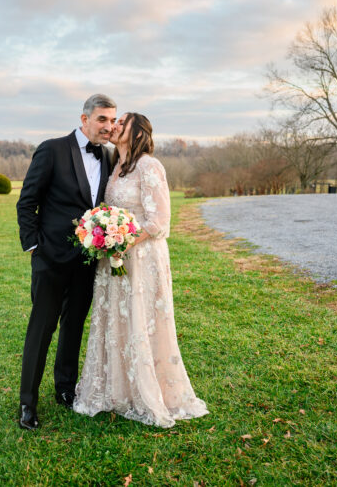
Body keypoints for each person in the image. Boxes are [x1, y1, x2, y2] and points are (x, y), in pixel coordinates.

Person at [73, 113, 208, 428]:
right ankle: (117, 390)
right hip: (115, 257)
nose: (116, 125)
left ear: (137, 133)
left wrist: (122, 239)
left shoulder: (150, 165)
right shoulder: (116, 167)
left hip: (141, 256)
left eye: (123, 122)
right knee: (117, 320)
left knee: (140, 319)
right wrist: (104, 235)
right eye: (114, 121)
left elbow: (159, 220)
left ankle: (149, 392)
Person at [15, 94, 117, 430]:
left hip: (87, 261)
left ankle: (64, 389)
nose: (108, 126)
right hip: (50, 259)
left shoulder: (109, 157)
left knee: (74, 327)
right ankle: (27, 403)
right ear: (84, 118)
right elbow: (27, 201)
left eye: (112, 120)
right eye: (102, 119)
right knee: (41, 329)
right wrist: (34, 247)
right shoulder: (52, 149)